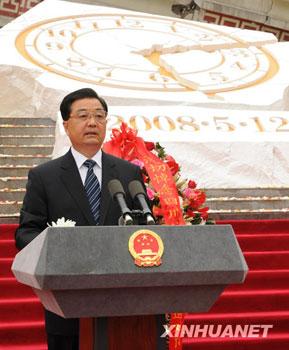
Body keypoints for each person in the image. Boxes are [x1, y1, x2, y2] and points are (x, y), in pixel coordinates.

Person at [15, 88, 147, 350]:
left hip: (124, 303)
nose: (92, 123)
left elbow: (143, 228)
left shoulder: (128, 172)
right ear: (66, 125)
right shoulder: (45, 177)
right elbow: (26, 232)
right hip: (67, 304)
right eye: (83, 115)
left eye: (99, 116)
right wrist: (59, 250)